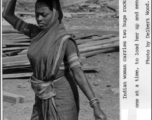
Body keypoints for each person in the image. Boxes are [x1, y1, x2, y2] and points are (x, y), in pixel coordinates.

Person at [3, 0, 107, 120]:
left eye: (44, 14)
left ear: (55, 13)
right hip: (41, 94)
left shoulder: (64, 41)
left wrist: (95, 105)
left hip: (62, 97)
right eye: (36, 14)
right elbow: (7, 15)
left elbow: (78, 73)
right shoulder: (35, 33)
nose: (39, 18)